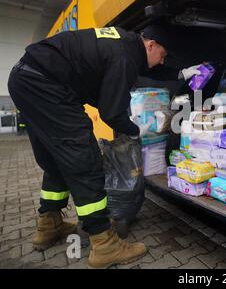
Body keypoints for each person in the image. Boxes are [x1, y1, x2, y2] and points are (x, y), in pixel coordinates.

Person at [7, 24, 202, 269]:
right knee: (84, 161)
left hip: (24, 79)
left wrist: (182, 74)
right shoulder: (125, 56)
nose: (162, 62)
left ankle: (49, 225)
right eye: (163, 55)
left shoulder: (126, 46)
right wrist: (135, 130)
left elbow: (148, 67)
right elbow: (111, 113)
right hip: (47, 86)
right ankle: (104, 244)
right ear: (151, 45)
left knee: (56, 158)